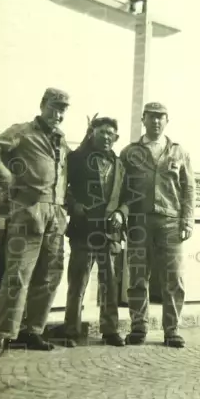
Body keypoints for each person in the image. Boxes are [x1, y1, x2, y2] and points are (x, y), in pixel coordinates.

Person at [0, 87, 71, 358]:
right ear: (42, 105)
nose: (58, 113)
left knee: (49, 275)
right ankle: (3, 335)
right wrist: (9, 182)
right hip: (28, 211)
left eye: (63, 109)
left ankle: (33, 331)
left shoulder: (61, 141)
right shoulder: (23, 131)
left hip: (55, 214)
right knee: (17, 275)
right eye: (54, 107)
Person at [119, 102, 195, 348]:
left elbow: (189, 188)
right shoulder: (130, 152)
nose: (155, 122)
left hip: (170, 222)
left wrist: (188, 221)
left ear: (167, 121)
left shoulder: (178, 151)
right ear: (143, 119)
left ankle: (172, 330)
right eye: (151, 117)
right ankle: (138, 328)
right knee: (138, 276)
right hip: (138, 222)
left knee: (173, 278)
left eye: (160, 117)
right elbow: (121, 188)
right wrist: (120, 215)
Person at [63, 116, 128, 347]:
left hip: (109, 233)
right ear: (93, 133)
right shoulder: (78, 158)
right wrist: (74, 205)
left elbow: (126, 198)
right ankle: (71, 331)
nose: (107, 137)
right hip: (83, 230)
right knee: (78, 282)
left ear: (116, 138)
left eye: (111, 133)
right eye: (102, 132)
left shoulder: (120, 165)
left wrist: (121, 213)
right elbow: (63, 188)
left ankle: (110, 331)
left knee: (109, 283)